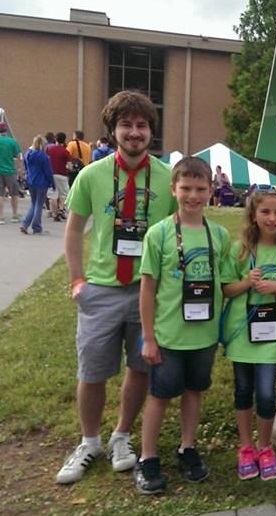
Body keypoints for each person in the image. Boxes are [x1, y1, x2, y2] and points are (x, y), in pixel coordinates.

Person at [56, 90, 177, 485]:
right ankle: (89, 441)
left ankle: (122, 436)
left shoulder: (168, 179)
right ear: (113, 130)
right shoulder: (92, 175)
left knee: (140, 367)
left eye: (141, 125)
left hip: (148, 292)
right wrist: (78, 280)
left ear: (151, 132)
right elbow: (73, 229)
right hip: (103, 289)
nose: (134, 132)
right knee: (91, 370)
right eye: (126, 124)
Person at [133, 157, 230, 494]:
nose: (193, 195)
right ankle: (147, 457)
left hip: (204, 336)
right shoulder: (158, 234)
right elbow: (147, 288)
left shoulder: (218, 234)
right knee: (159, 396)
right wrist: (148, 337)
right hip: (168, 336)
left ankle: (187, 447)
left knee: (194, 392)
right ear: (173, 189)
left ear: (211, 190)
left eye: (200, 188)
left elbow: (227, 284)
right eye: (186, 188)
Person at [221, 183, 276, 482]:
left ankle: (264, 446)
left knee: (266, 393)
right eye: (265, 211)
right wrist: (246, 282)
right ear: (253, 214)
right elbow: (226, 290)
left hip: (270, 336)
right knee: (243, 390)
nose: (271, 218)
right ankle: (246, 447)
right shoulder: (240, 250)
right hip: (241, 334)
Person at [20, 135, 54, 235]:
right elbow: (48, 172)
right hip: (42, 183)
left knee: (33, 204)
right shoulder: (44, 157)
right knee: (39, 204)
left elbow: (26, 168)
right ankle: (37, 227)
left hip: (31, 182)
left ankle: (25, 224)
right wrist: (52, 182)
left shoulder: (28, 155)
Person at [45, 132, 72, 221]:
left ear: (55, 139)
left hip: (51, 174)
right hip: (62, 175)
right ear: (64, 140)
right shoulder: (65, 151)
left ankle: (54, 213)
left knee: (53, 195)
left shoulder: (49, 149)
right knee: (64, 194)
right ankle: (61, 209)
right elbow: (69, 166)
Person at [0, 121, 23, 224]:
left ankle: (1, 216)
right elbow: (18, 157)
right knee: (14, 193)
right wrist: (20, 169)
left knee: (0, 195)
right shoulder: (12, 141)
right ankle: (14, 215)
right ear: (5, 130)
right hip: (10, 171)